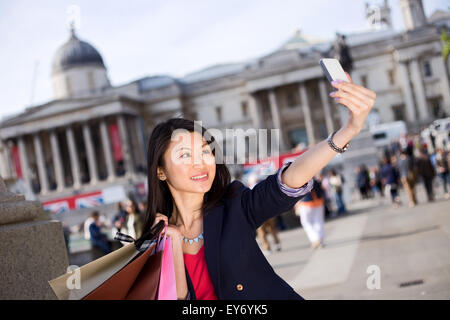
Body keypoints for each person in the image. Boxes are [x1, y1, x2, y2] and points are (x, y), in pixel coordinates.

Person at [139, 73, 375, 300]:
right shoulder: (157, 235)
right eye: (185, 155)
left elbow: (287, 181)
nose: (200, 163)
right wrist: (174, 244)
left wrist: (349, 130)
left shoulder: (232, 204)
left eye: (204, 151)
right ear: (160, 170)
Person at [294, 178, 326, 249]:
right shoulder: (315, 180)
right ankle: (321, 240)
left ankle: (315, 239)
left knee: (306, 222)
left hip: (306, 204)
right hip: (319, 202)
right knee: (318, 222)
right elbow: (322, 190)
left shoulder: (299, 180)